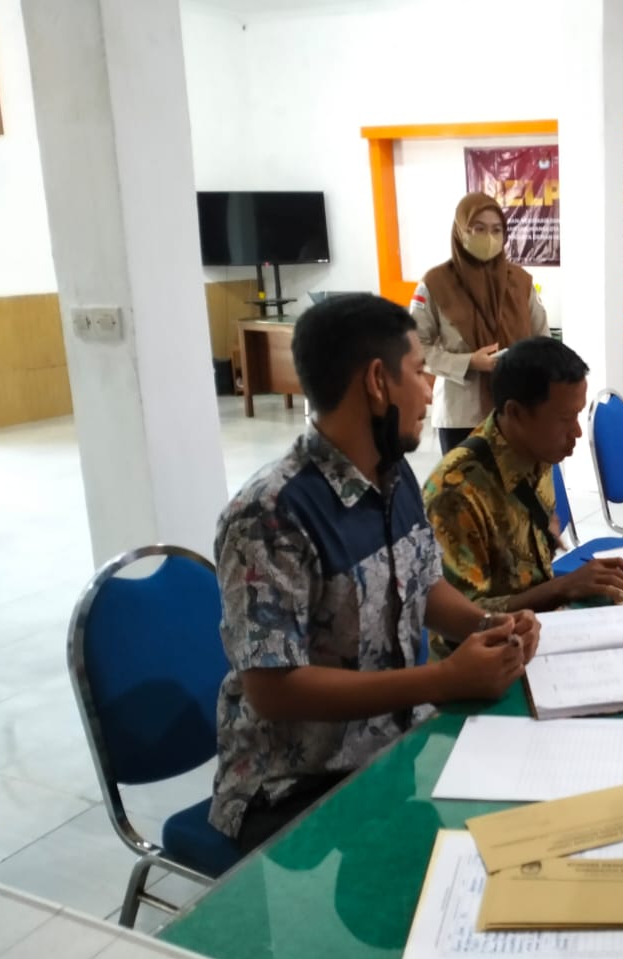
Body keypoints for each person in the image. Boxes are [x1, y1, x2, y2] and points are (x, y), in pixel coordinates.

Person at [210, 294, 540, 853]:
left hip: (390, 754)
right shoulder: (271, 514)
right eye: (420, 370)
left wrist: (489, 626)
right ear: (377, 382)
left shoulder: (393, 475)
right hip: (294, 792)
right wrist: (442, 680)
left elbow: (424, 585)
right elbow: (274, 691)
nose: (430, 389)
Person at [423, 336, 623, 613]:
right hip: (499, 638)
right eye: (565, 419)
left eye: (577, 415)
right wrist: (561, 588)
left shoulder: (537, 449)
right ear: (516, 413)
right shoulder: (455, 494)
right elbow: (462, 618)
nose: (577, 432)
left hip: (543, 621)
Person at [412, 191, 549, 454]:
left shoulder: (521, 282)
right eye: (479, 228)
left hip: (517, 410)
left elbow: (542, 341)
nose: (489, 237)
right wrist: (469, 363)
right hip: (461, 415)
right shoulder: (436, 283)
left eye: (497, 230)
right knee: (464, 482)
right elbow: (416, 347)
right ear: (461, 230)